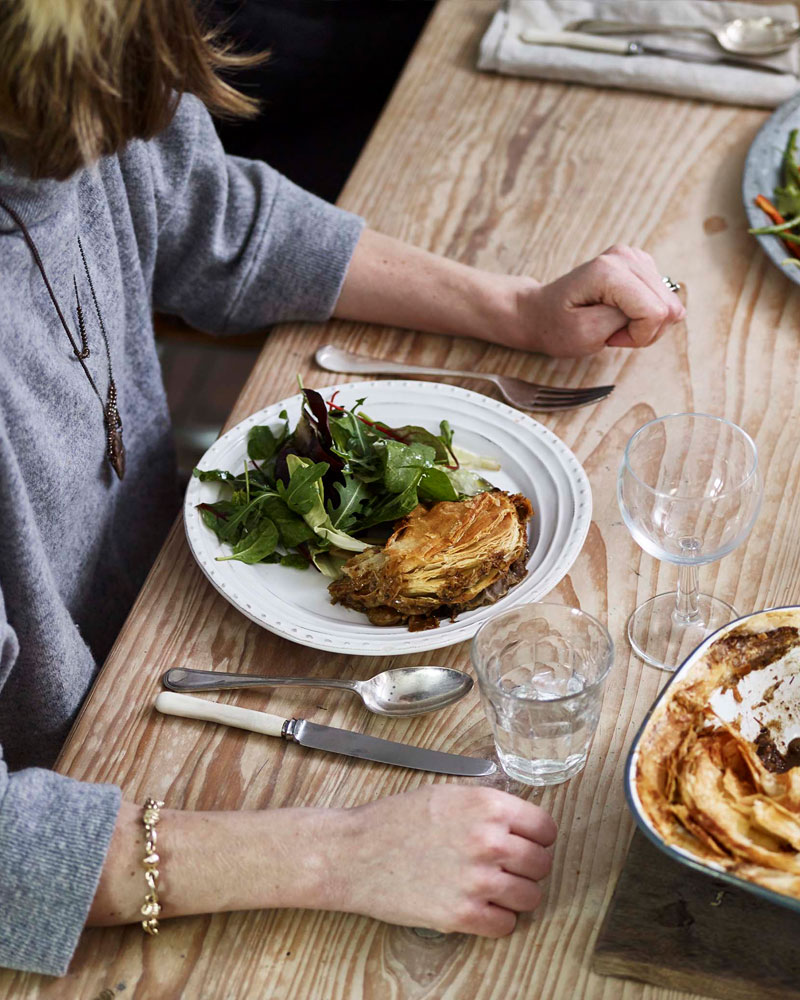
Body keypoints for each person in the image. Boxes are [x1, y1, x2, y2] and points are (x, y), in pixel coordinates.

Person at [0, 0, 684, 978]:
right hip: (69, 806)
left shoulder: (73, 96)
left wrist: (514, 308)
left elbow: (208, 214)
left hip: (166, 638)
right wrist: (337, 852)